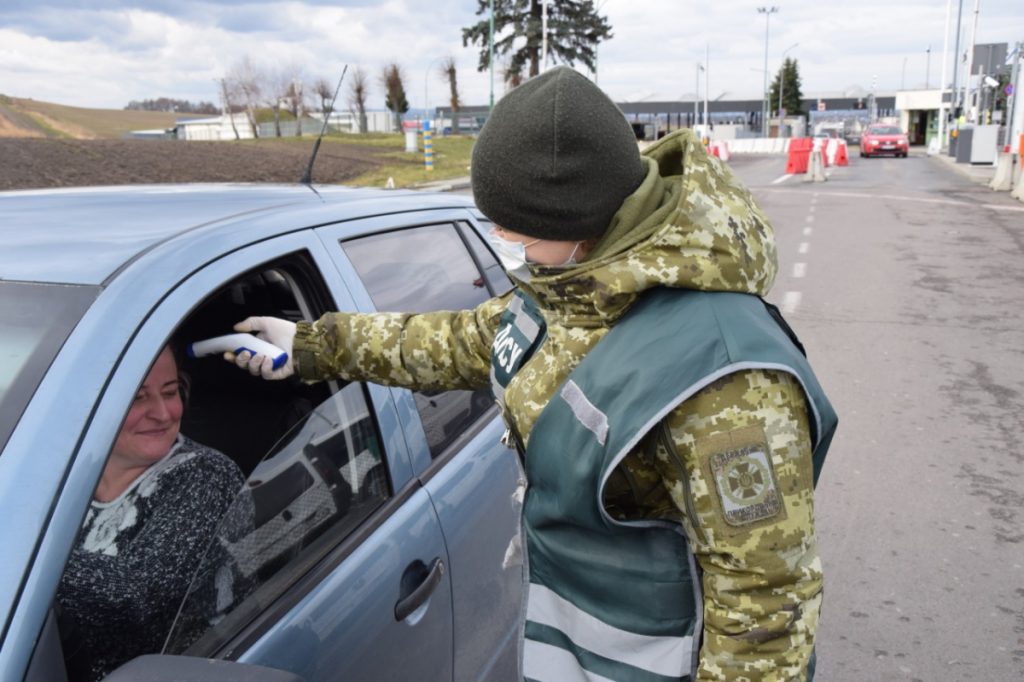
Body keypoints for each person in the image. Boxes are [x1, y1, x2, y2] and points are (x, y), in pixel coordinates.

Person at [230, 66, 837, 681]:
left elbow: (766, 604)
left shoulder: (724, 379)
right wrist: (313, 343)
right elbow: (461, 341)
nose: (501, 239)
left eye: (513, 229)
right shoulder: (573, 289)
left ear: (575, 218)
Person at [57, 345, 250, 681]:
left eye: (170, 392)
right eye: (138, 398)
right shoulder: (55, 469)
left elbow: (136, 596)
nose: (163, 413)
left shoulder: (207, 475)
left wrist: (24, 556)